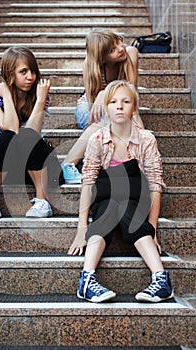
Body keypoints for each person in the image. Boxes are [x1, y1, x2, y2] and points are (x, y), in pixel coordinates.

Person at [68, 80, 174, 303]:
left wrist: (152, 228)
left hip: (135, 198)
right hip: (105, 198)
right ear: (106, 107)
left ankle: (160, 280)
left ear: (134, 108)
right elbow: (87, 182)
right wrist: (82, 227)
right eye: (113, 102)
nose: (119, 106)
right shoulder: (97, 139)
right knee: (109, 207)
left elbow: (155, 184)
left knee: (125, 205)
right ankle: (87, 280)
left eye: (125, 101)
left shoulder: (146, 139)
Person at [61, 28, 144, 185]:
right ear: (102, 59)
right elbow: (93, 108)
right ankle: (69, 164)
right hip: (88, 109)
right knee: (108, 119)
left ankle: (71, 163)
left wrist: (104, 93)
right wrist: (100, 96)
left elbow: (131, 94)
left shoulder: (130, 53)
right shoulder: (89, 65)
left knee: (115, 117)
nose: (120, 48)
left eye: (119, 41)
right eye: (113, 49)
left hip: (115, 108)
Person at [0, 46, 54, 219]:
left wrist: (42, 99)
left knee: (27, 135)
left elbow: (32, 132)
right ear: (10, 74)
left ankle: (42, 200)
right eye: (23, 72)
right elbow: (11, 127)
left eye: (33, 71)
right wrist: (6, 94)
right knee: (7, 136)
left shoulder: (39, 96)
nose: (31, 77)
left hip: (35, 165)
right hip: (7, 167)